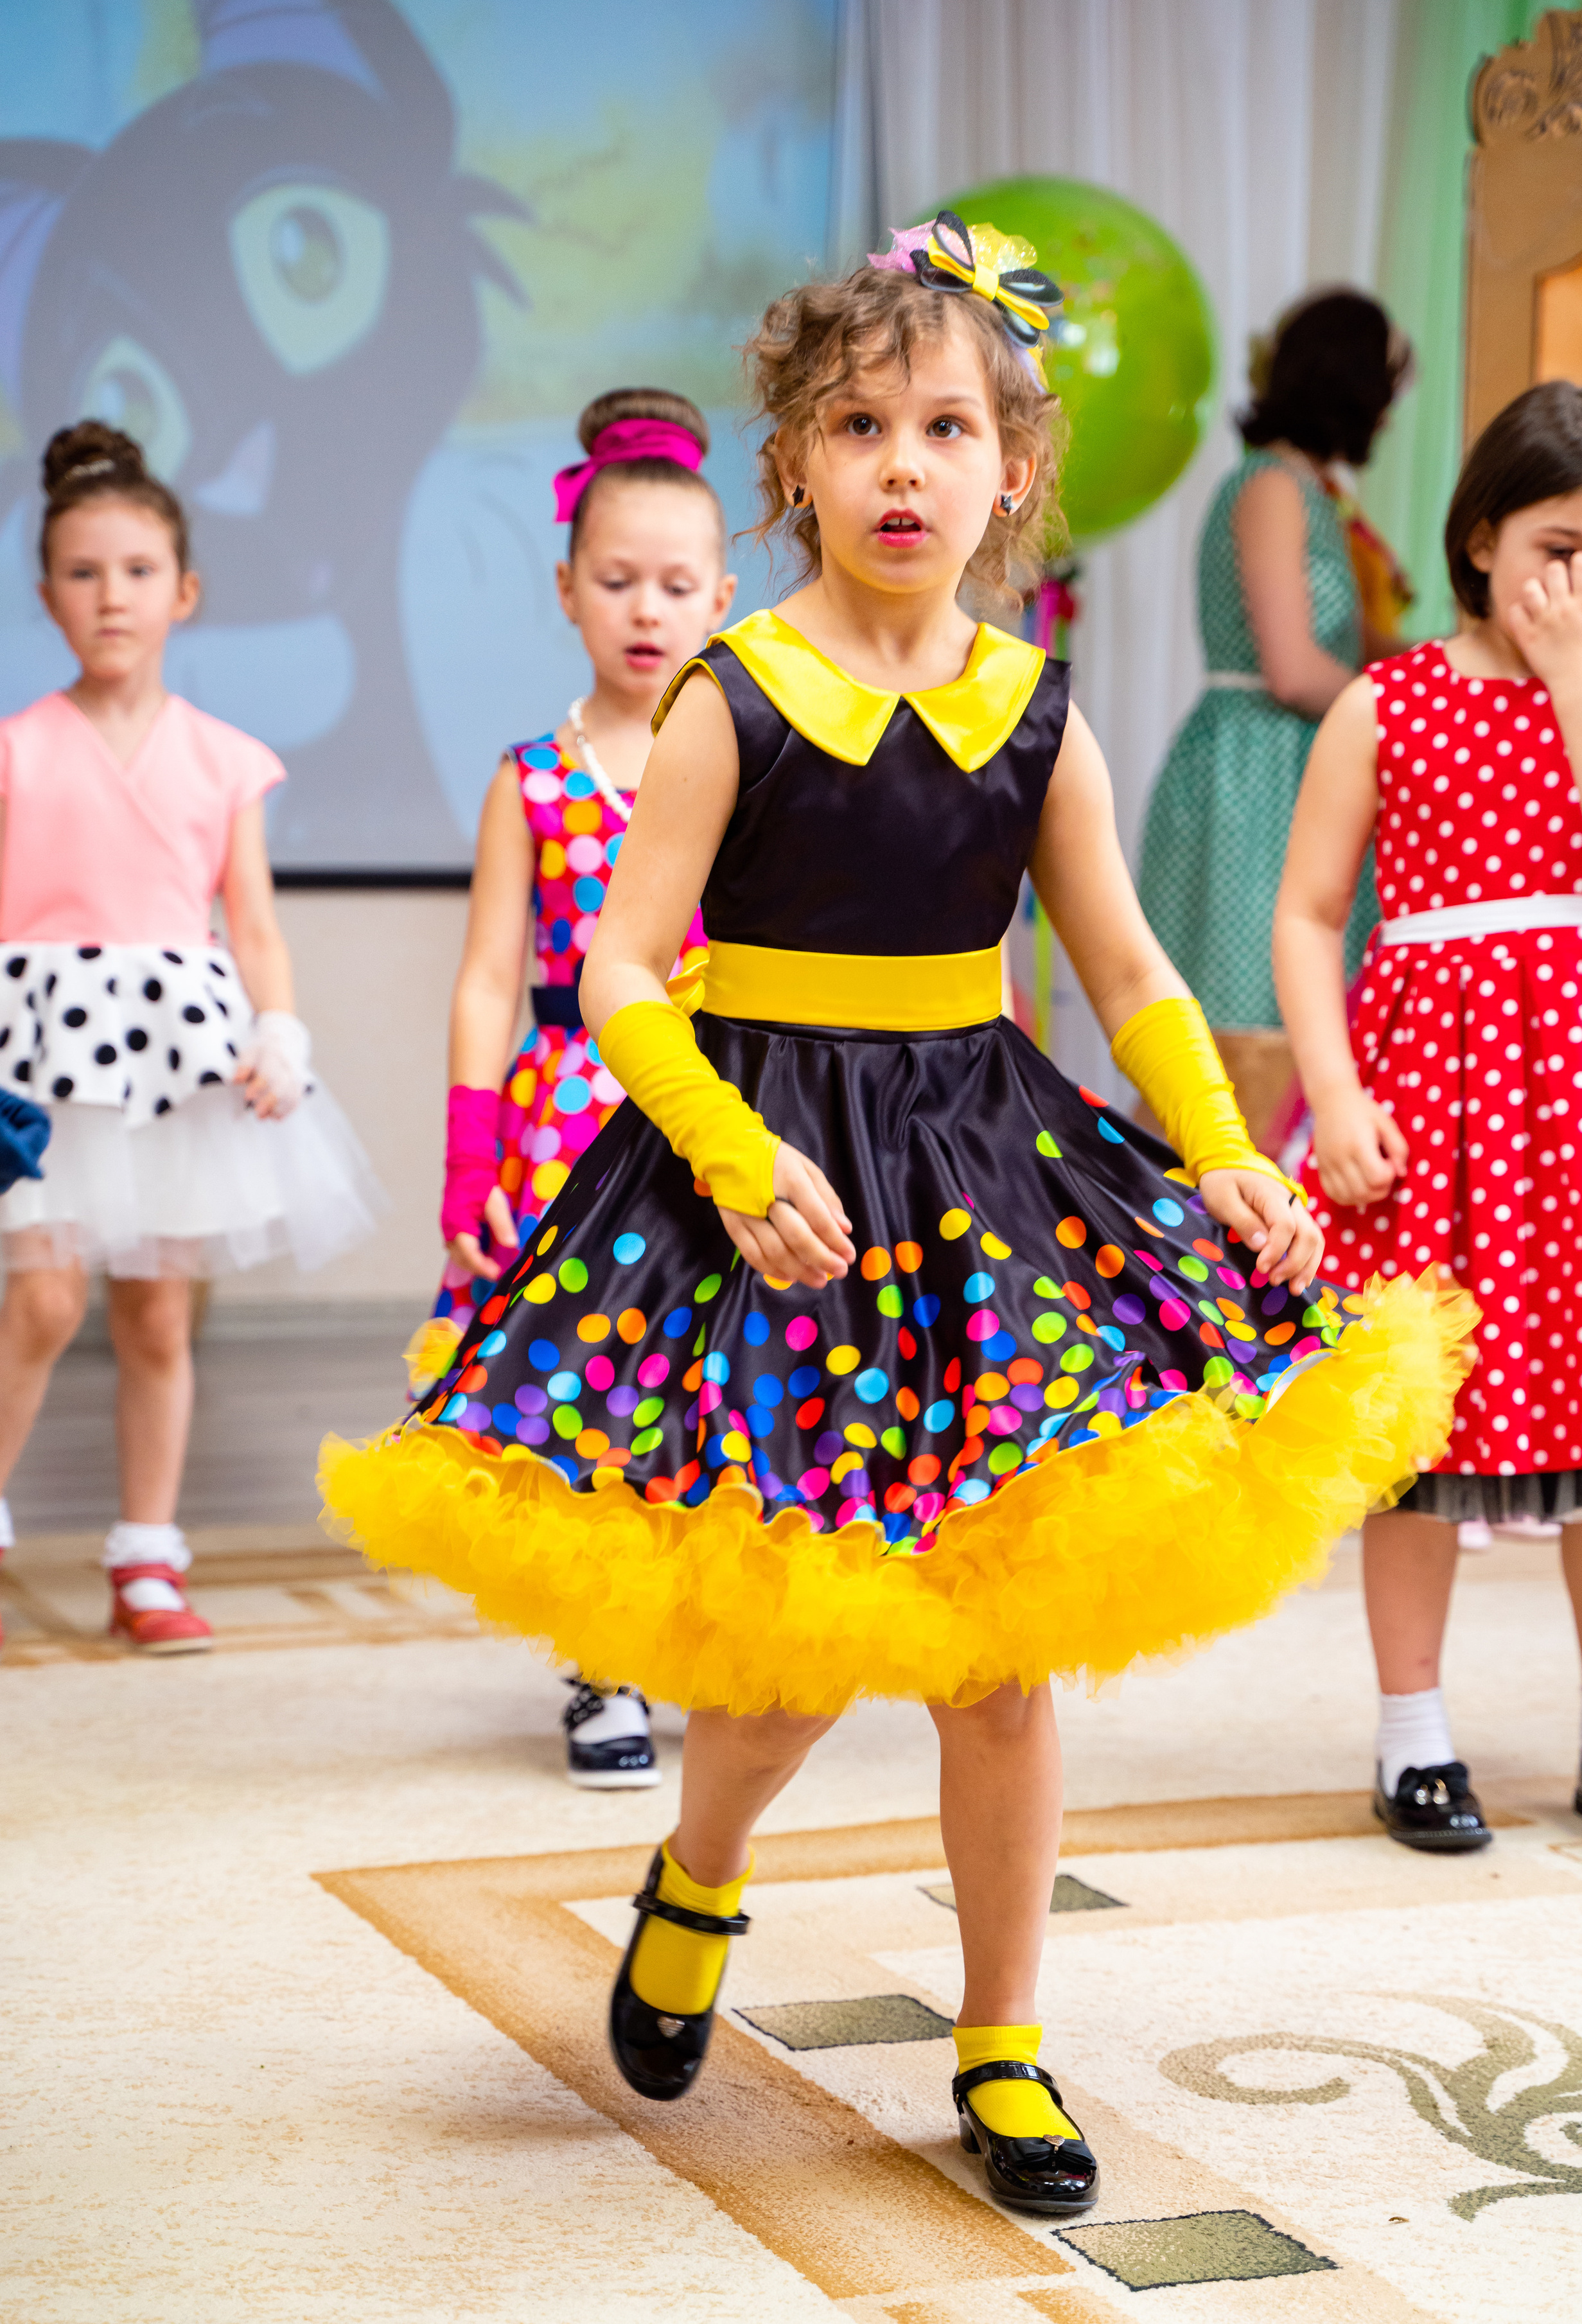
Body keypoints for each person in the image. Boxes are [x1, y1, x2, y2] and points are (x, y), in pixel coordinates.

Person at [324, 215, 1467, 2212]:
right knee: (782, 1666)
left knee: (997, 1653)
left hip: (977, 1182)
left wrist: (1218, 1147)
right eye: (862, 426)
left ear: (1015, 465)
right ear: (801, 467)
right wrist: (733, 1149)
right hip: (770, 1181)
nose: (906, 464)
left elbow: (1125, 973)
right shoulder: (732, 697)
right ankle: (697, 1873)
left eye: (948, 425)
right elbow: (615, 972)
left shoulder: (1039, 714)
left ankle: (1003, 2041)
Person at [1275, 379, 1582, 1856]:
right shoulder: (1391, 699)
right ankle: (1409, 1734)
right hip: (1431, 1106)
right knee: (1414, 1434)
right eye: (1563, 550)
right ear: (1482, 532)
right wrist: (1334, 1094)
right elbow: (1306, 916)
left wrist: (1576, 677)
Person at [0, 421, 380, 1654]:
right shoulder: (15, 751)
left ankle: (146, 1558)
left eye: (139, 570)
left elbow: (251, 924)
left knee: (158, 1314)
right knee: (46, 1300)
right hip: (45, 1060)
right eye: (83, 571)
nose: (113, 595)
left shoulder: (224, 759)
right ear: (46, 589)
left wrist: (279, 1026)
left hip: (174, 1061)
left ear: (186, 590)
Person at [423, 386, 734, 1785]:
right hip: (565, 1121)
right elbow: (490, 977)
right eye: (616, 581)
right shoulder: (533, 778)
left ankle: (695, 1639)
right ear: (564, 588)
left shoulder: (735, 756)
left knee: (702, 1382)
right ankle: (599, 1666)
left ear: (723, 594)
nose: (645, 610)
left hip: (710, 1108)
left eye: (677, 585)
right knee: (586, 1390)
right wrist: (466, 1157)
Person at [1139, 289, 1412, 1152]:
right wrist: (1408, 713)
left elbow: (1367, 645)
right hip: (1253, 775)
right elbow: (1293, 668)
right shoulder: (1271, 489)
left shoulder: (1313, 495)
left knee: (1297, 1018)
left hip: (1296, 769)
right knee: (1245, 1021)